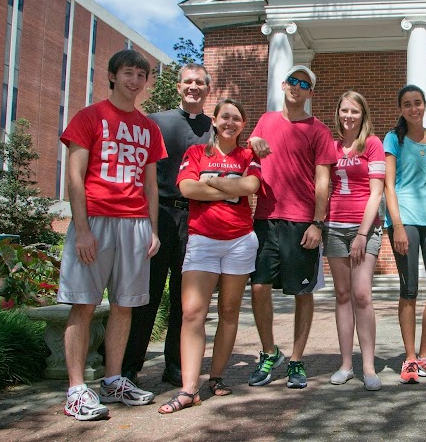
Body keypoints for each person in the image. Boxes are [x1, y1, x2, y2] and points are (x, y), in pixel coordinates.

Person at [58, 49, 166, 420]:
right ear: (112, 75)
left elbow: (151, 184)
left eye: (141, 75)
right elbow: (75, 176)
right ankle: (75, 390)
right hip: (96, 220)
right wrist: (82, 229)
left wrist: (152, 229)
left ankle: (113, 379)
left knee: (125, 305)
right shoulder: (89, 117)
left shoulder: (149, 127)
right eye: (128, 73)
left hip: (135, 224)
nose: (134, 81)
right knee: (83, 304)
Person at [158, 99, 261, 413]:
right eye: (225, 117)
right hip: (202, 239)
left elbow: (252, 185)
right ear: (214, 121)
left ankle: (216, 377)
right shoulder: (196, 153)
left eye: (237, 119)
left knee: (229, 312)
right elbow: (188, 189)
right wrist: (231, 189)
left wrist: (212, 181)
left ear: (243, 125)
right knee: (192, 312)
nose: (230, 122)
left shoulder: (248, 155)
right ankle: (189, 389)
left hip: (240, 241)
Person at [247, 65, 337, 389]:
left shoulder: (319, 131)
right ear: (283, 84)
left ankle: (297, 361)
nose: (297, 87)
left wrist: (317, 222)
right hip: (266, 219)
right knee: (259, 287)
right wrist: (253, 141)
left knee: (303, 292)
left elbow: (323, 179)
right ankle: (270, 352)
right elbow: (253, 155)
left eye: (304, 84)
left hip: (301, 222)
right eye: (293, 81)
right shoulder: (266, 121)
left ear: (310, 92)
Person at [122, 63, 212, 387]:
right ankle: (129, 366)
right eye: (188, 82)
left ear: (207, 89)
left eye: (200, 83)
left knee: (183, 297)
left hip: (196, 217)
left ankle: (175, 365)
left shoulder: (213, 130)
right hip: (158, 215)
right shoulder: (155, 122)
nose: (193, 87)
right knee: (146, 294)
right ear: (178, 87)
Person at [383, 85, 426, 384]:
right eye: (407, 104)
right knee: (409, 290)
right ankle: (409, 358)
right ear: (401, 108)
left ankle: (425, 355)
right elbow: (389, 185)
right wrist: (396, 225)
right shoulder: (394, 138)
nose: (413, 108)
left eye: (417, 103)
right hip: (405, 218)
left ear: (425, 105)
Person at [323, 91, 385, 391]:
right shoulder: (331, 147)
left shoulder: (372, 144)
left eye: (355, 111)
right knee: (343, 295)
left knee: (362, 294)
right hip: (334, 226)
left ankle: (369, 366)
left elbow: (376, 192)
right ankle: (346, 364)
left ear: (363, 115)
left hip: (364, 228)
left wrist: (362, 233)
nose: (349, 116)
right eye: (344, 110)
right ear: (338, 113)